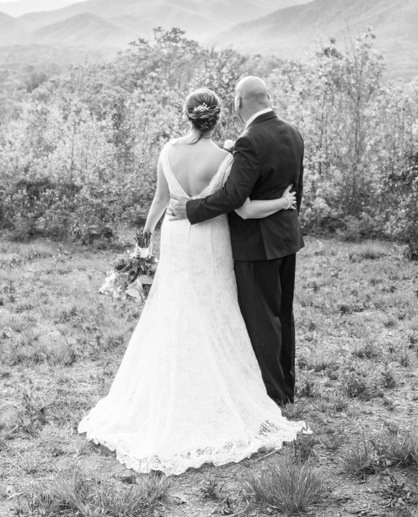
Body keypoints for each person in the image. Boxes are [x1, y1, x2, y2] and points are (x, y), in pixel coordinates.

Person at [78, 88, 305, 475]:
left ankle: (170, 387)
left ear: (187, 117)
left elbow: (160, 199)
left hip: (176, 240)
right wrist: (283, 203)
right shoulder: (225, 157)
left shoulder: (167, 152)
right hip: (210, 240)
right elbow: (242, 207)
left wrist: (144, 242)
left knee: (173, 307)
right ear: (217, 119)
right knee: (214, 308)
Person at [169, 75, 304, 406]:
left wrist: (190, 209)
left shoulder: (250, 140)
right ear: (267, 97)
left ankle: (272, 396)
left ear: (239, 103)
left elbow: (233, 196)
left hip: (256, 245)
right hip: (287, 238)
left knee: (261, 320)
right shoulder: (293, 132)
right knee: (283, 315)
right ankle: (287, 387)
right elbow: (297, 189)